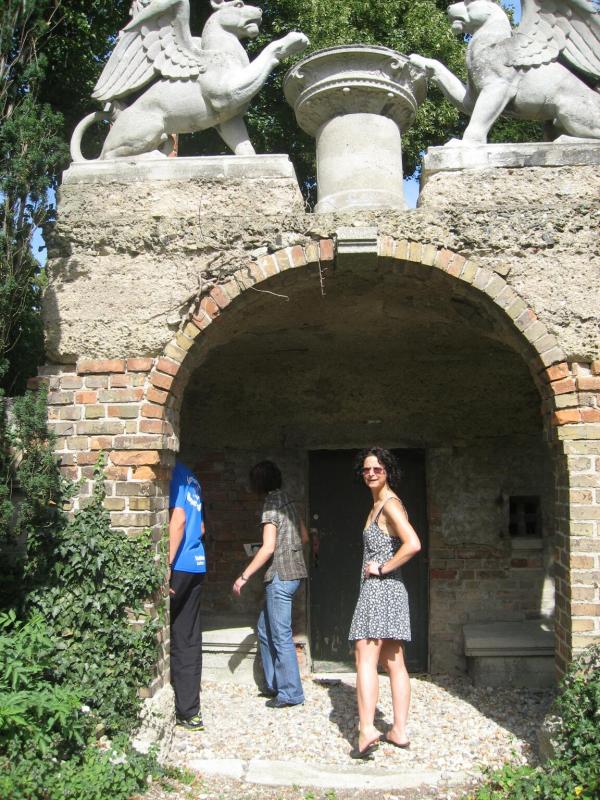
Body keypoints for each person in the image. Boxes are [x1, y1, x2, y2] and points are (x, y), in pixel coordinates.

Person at [348, 447, 421, 759]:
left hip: (379, 589)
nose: (371, 473)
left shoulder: (389, 504)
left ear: (388, 471)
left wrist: (382, 567)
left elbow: (413, 543)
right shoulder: (381, 503)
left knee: (364, 657)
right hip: (393, 592)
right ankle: (399, 731)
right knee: (393, 661)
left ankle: (367, 730)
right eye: (366, 469)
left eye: (377, 469)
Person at [232, 460, 308, 708]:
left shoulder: (270, 505)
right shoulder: (289, 501)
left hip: (280, 577)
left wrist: (244, 576)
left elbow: (268, 548)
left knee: (280, 635)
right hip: (295, 574)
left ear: (257, 484)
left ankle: (290, 693)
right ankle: (275, 685)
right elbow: (304, 536)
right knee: (264, 629)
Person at [169, 460, 207, 731]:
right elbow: (200, 528)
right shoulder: (192, 478)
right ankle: (189, 712)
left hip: (179, 565)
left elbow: (179, 518)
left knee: (159, 630)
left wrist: (166, 565)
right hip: (196, 563)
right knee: (188, 638)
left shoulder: (174, 474)